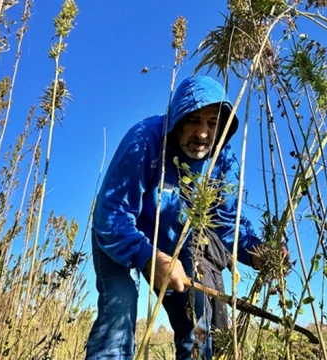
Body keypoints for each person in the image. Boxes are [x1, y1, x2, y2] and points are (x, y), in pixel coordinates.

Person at [85, 76, 279, 359]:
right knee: (121, 304)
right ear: (177, 118)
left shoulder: (221, 160)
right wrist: (148, 257)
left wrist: (257, 253)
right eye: (194, 120)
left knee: (197, 322)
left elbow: (226, 221)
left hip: (175, 243)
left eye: (212, 123)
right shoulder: (144, 141)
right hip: (119, 237)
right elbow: (111, 212)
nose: (202, 133)